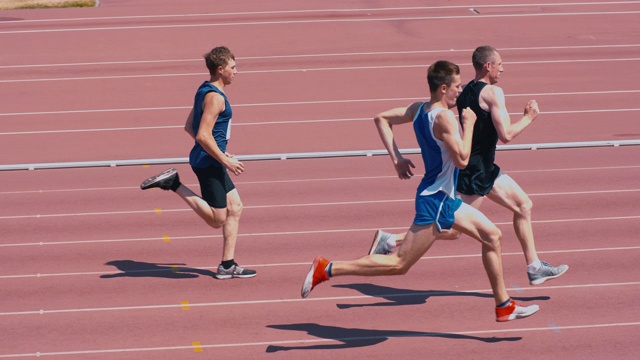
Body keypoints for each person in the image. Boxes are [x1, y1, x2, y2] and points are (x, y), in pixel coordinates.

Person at [301, 60, 539, 322]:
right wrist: (469, 124)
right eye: (457, 87)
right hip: (435, 200)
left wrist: (397, 159)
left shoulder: (418, 109)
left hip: (445, 198)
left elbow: (381, 119)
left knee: (493, 236)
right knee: (399, 264)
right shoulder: (446, 118)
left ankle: (503, 306)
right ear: (443, 88)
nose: (460, 91)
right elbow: (461, 160)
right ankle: (328, 268)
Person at [370, 46, 568, 286]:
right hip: (474, 172)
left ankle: (535, 267)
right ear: (488, 66)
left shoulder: (462, 95)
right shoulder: (494, 93)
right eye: (500, 64)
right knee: (453, 230)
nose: (503, 68)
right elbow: (505, 135)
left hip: (485, 168)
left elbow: (435, 108)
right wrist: (528, 117)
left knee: (523, 205)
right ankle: (391, 241)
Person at [140, 46, 256, 280]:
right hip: (208, 163)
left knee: (236, 207)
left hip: (211, 158)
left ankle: (227, 265)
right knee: (217, 219)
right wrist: (224, 159)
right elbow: (202, 135)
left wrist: (220, 150)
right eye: (233, 67)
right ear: (221, 69)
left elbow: (189, 126)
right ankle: (173, 184)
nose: (237, 71)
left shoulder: (204, 90)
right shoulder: (215, 98)